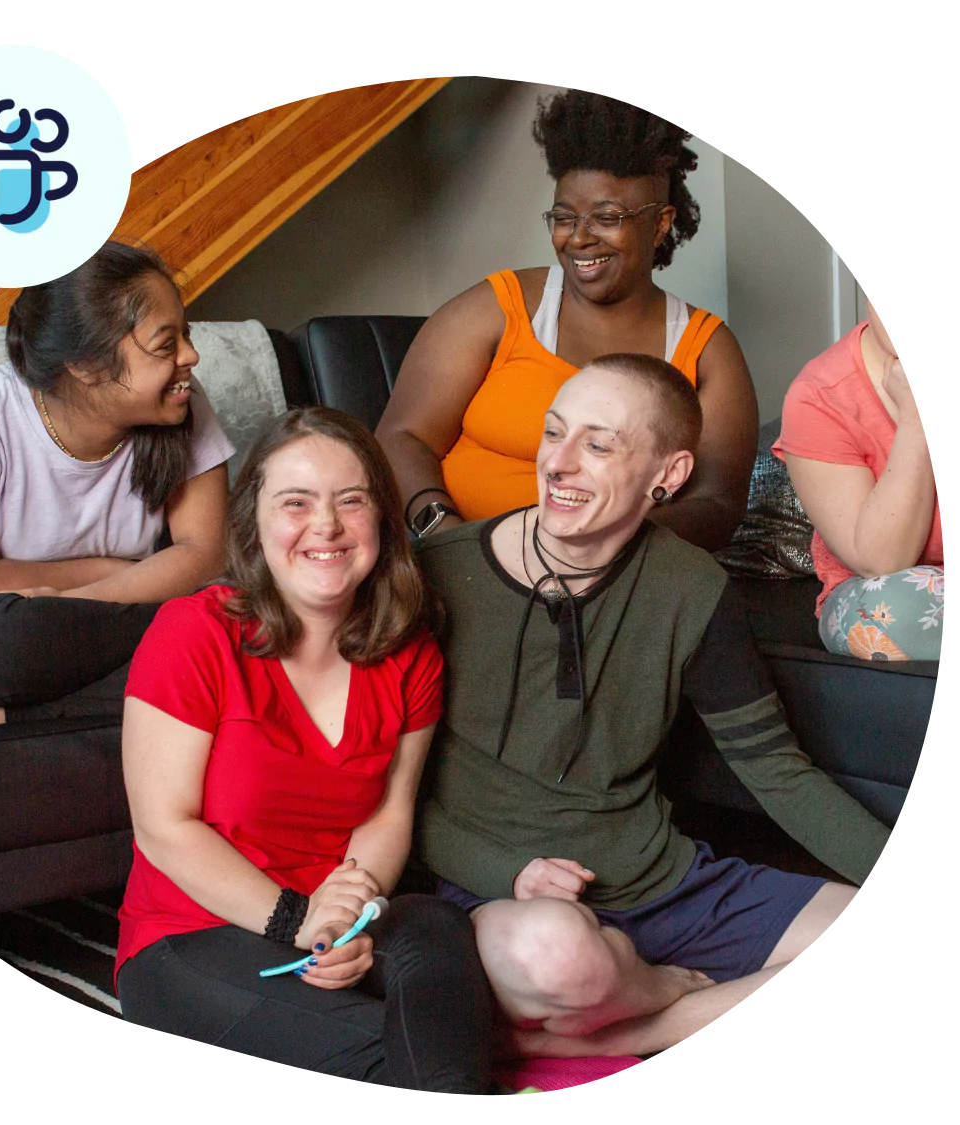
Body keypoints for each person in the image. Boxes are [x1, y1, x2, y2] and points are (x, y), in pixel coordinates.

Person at [413, 354, 893, 1058]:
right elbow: (386, 794)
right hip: (502, 898)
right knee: (555, 958)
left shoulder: (692, 586)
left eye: (598, 445)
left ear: (667, 474)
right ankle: (657, 992)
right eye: (554, 432)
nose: (558, 463)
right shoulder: (436, 574)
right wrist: (504, 871)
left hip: (661, 881)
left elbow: (775, 769)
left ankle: (631, 1027)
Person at [114, 407, 495, 1095]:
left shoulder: (410, 652)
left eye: (351, 501)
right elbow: (163, 828)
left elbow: (387, 814)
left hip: (336, 914)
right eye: (296, 503)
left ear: (381, 520)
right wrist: (298, 920)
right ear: (254, 524)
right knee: (393, 1056)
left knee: (436, 928)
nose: (326, 525)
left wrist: (345, 914)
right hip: (194, 930)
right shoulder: (193, 632)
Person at [377, 88, 758, 554]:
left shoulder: (706, 348)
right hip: (459, 558)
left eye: (607, 217)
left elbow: (717, 504)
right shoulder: (499, 306)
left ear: (660, 223)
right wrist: (450, 538)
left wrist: (590, 551)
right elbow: (401, 437)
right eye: (564, 217)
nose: (578, 239)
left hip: (613, 575)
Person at [0, 240, 235, 731]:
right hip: (4, 642)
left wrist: (78, 600)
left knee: (240, 623)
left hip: (114, 629)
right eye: (167, 345)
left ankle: (7, 717)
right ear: (85, 364)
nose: (191, 356)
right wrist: (116, 572)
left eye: (185, 334)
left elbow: (206, 553)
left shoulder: (181, 401)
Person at [773, 302, 944, 661]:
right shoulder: (818, 396)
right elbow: (882, 560)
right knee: (886, 614)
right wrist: (915, 417)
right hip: (884, 594)